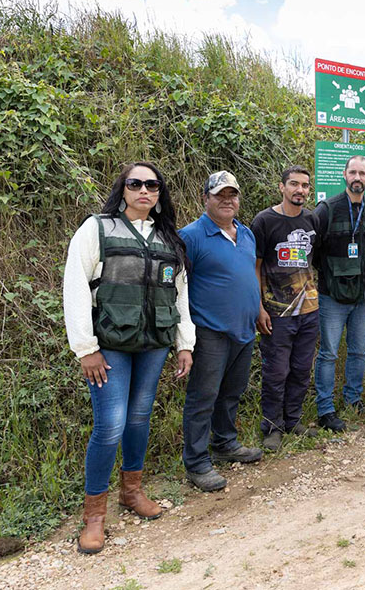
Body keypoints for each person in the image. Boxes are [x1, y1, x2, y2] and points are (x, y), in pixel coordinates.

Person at [63, 162, 195, 555]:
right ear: (123, 189)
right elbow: (75, 285)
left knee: (139, 417)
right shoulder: (98, 229)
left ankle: (132, 491)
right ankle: (94, 515)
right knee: (110, 425)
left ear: (159, 194)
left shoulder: (169, 239)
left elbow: (180, 296)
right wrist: (85, 348)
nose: (144, 191)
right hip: (109, 346)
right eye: (135, 183)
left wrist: (184, 343)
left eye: (152, 185)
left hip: (153, 343)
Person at [180, 171, 263, 493]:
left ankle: (225, 443)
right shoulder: (191, 236)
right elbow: (178, 287)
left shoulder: (246, 234)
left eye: (232, 195)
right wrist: (183, 336)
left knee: (231, 392)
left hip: (244, 329)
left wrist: (257, 309)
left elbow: (248, 275)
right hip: (210, 331)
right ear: (206, 199)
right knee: (203, 397)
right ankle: (197, 462)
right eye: (219, 195)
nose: (227, 201)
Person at [312, 155, 365, 432]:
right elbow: (313, 252)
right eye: (352, 172)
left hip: (363, 297)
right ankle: (325, 409)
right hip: (332, 296)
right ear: (344, 175)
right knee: (329, 353)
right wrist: (333, 276)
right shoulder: (326, 209)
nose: (357, 178)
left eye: (362, 173)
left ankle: (353, 400)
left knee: (357, 352)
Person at [253, 165, 322, 449]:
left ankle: (293, 421)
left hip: (308, 311)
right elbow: (255, 267)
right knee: (276, 372)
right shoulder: (264, 221)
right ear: (282, 187)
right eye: (294, 184)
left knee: (301, 370)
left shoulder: (311, 220)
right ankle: (272, 427)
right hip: (276, 312)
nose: (300, 190)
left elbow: (314, 261)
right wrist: (258, 307)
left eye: (305, 185)